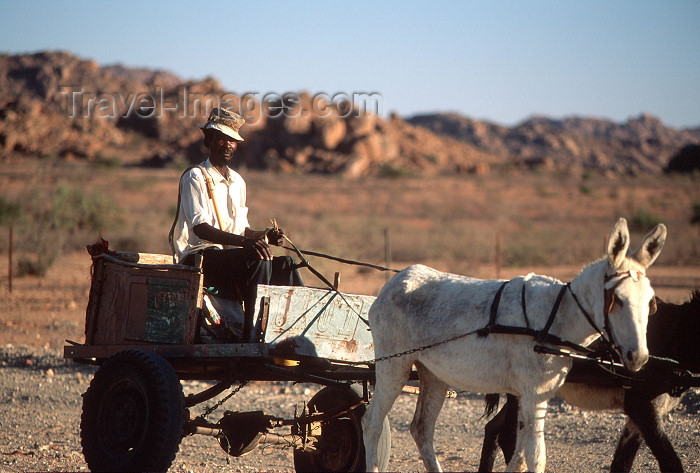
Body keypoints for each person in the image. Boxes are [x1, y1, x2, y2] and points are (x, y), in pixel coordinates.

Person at [170, 108, 303, 340]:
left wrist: (264, 236)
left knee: (287, 265)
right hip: (199, 258)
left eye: (233, 140)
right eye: (222, 139)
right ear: (208, 140)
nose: (228, 145)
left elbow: (241, 229)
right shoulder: (195, 177)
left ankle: (296, 333)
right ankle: (251, 334)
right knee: (257, 259)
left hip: (230, 259)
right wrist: (246, 243)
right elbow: (200, 228)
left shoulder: (238, 182)